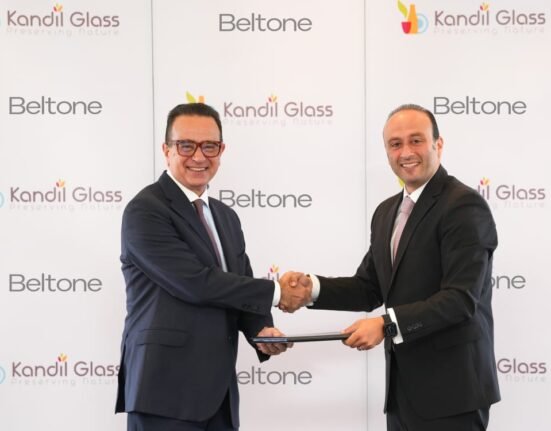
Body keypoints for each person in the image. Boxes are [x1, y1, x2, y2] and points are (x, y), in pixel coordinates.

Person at [287, 104, 501, 430]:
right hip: (402, 394)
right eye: (395, 144)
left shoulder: (463, 205)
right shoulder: (386, 212)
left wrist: (386, 325)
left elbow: (460, 299)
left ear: (438, 144)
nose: (406, 152)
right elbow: (369, 287)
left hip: (453, 395)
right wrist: (311, 289)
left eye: (416, 140)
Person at [115, 102, 311, 431]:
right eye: (186, 145)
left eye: (209, 146)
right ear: (166, 150)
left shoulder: (226, 216)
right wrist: (277, 292)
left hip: (218, 394)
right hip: (164, 393)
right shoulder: (145, 210)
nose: (199, 156)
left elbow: (238, 282)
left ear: (221, 150)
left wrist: (261, 330)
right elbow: (195, 283)